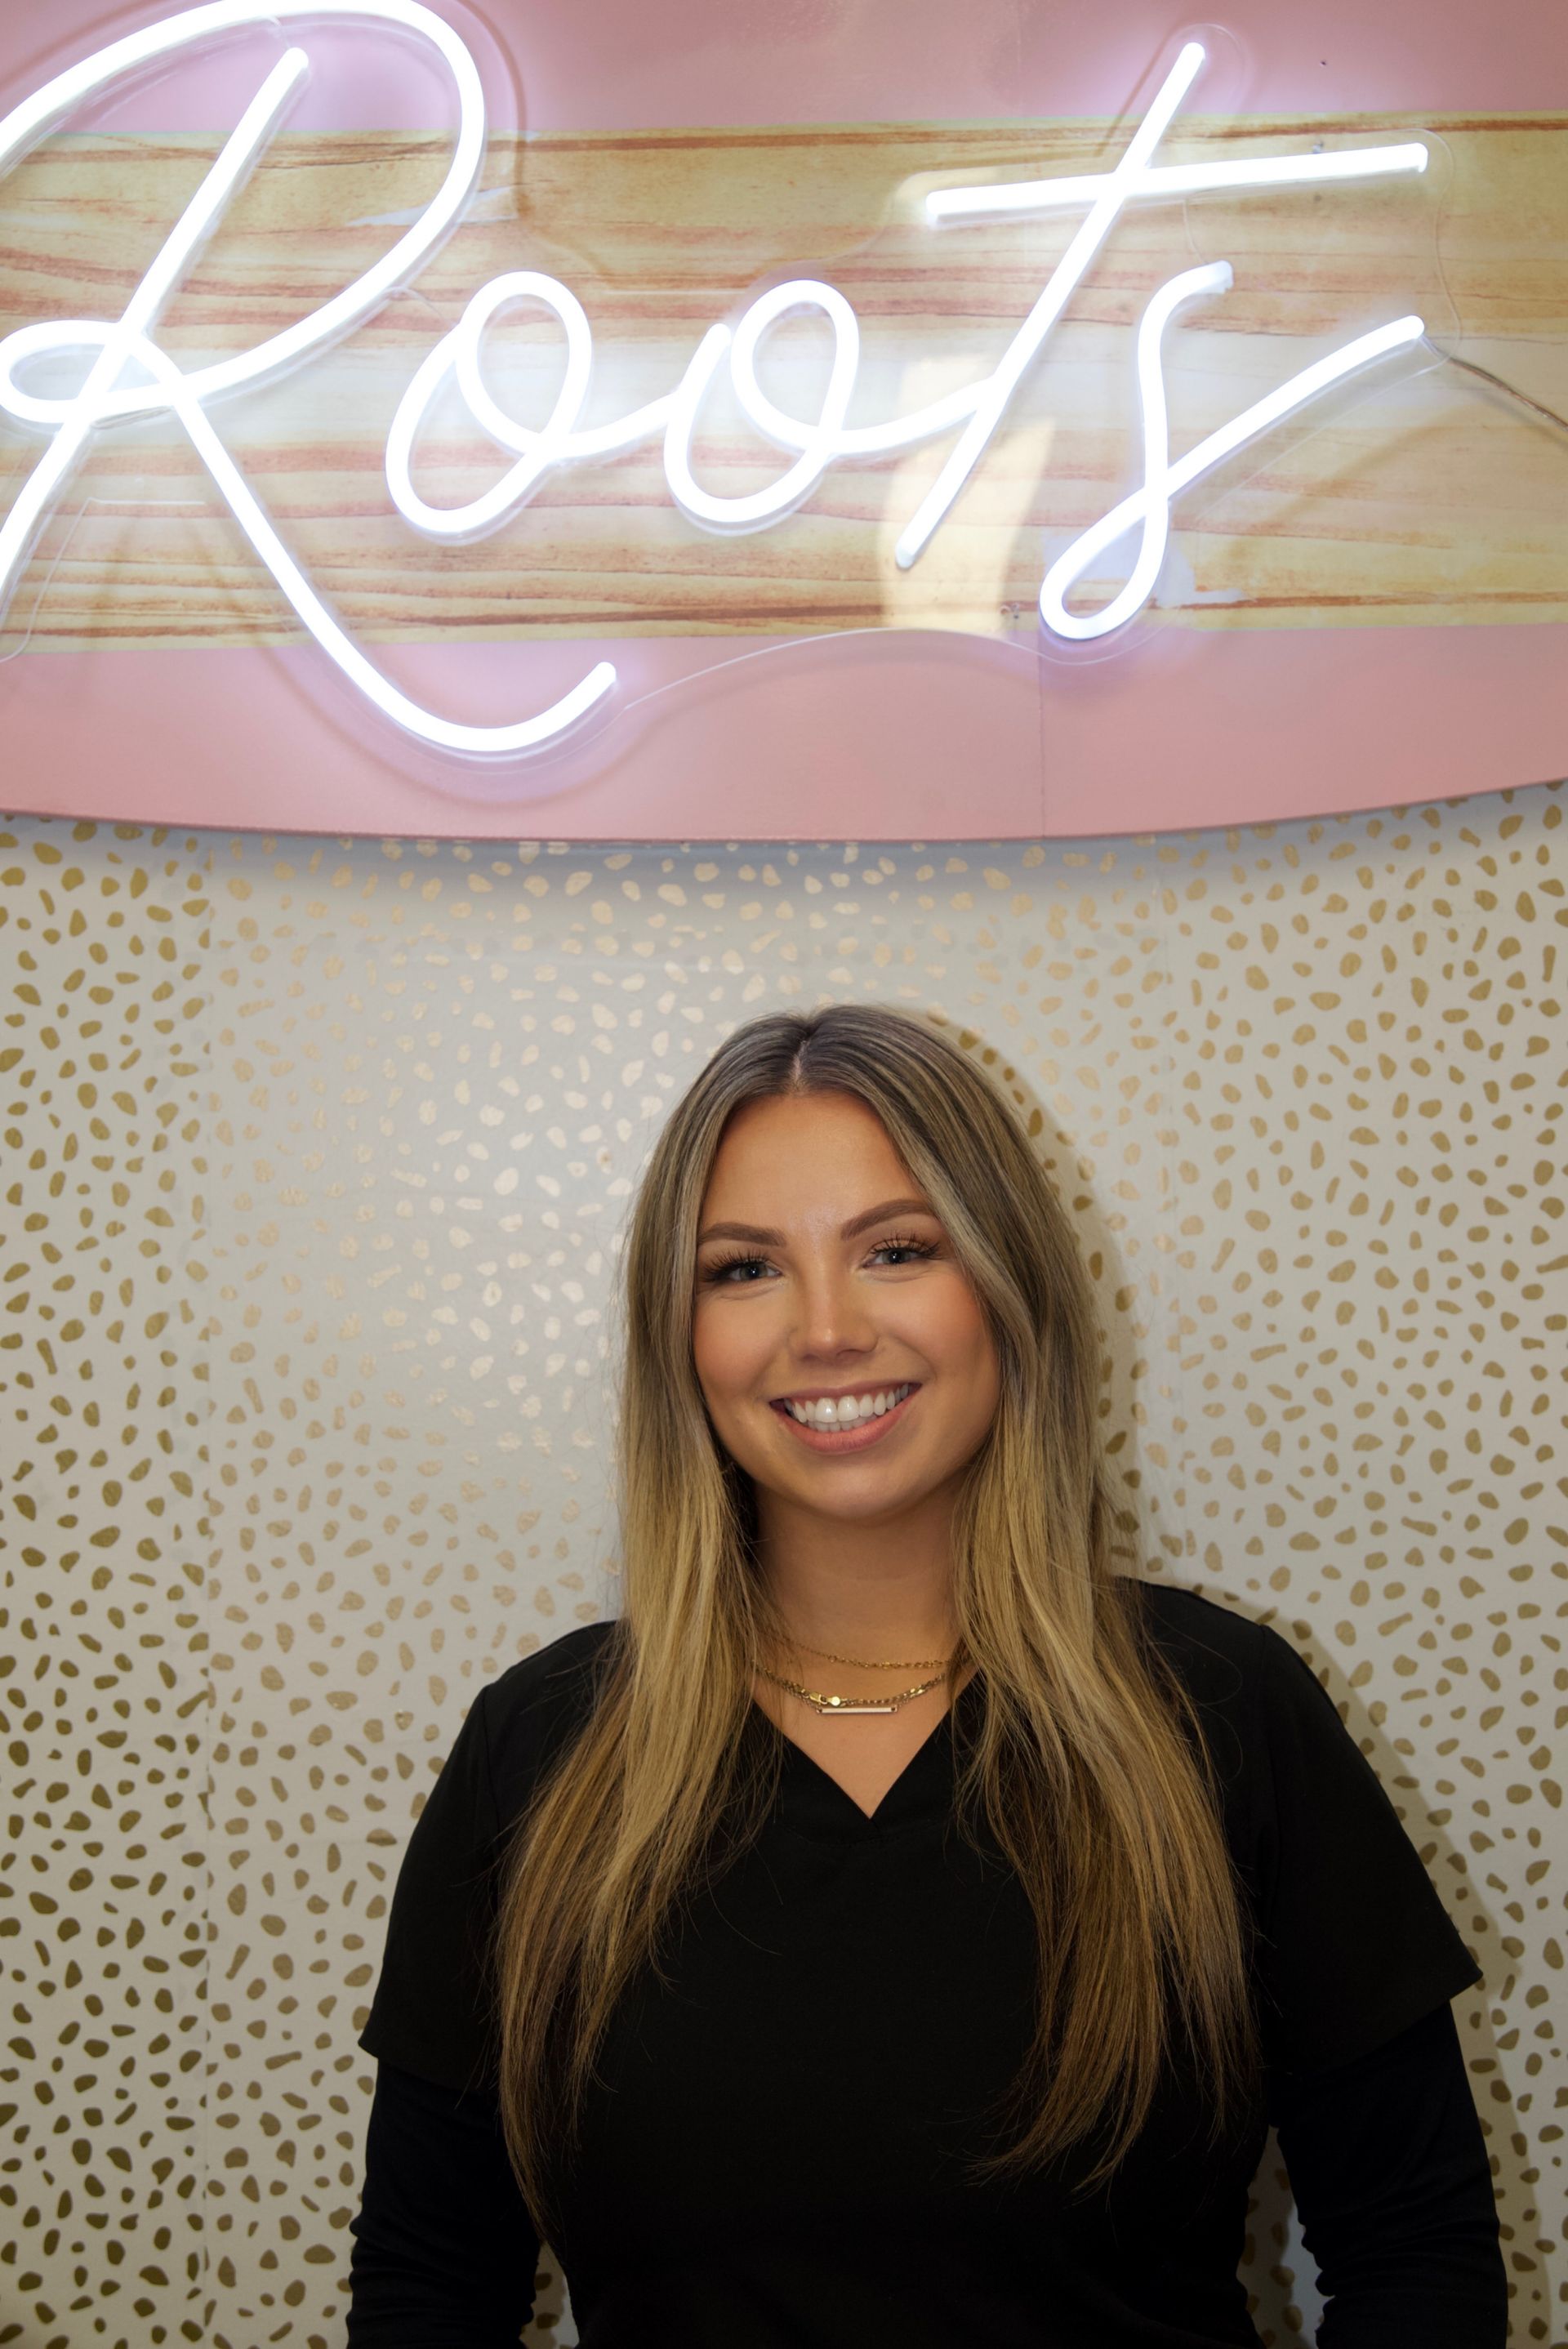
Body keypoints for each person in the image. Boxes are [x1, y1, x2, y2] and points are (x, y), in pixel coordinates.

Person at [346, 1003, 1506, 2347]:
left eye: (897, 1250)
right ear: (680, 1335)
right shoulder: (537, 1751)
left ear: (1007, 1286)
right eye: (743, 1269)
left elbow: (1415, 2252)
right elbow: (432, 2283)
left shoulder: (1225, 1712)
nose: (826, 1331)